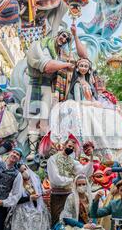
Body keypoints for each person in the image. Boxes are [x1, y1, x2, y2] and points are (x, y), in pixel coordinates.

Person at [24, 24, 88, 160]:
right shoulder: (41, 45)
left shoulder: (60, 54)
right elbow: (47, 66)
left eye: (67, 39)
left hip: (48, 87)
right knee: (33, 119)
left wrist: (75, 34)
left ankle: (43, 151)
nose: (64, 40)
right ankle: (31, 151)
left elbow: (84, 57)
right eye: (64, 36)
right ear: (57, 34)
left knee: (45, 120)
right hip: (36, 85)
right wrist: (66, 65)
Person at [47, 137, 93, 225]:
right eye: (69, 146)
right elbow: (55, 179)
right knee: (57, 221)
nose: (71, 149)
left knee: (71, 221)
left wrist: (91, 157)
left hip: (70, 195)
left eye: (73, 148)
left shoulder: (72, 161)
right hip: (58, 196)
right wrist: (72, 180)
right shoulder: (53, 159)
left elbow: (83, 173)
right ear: (64, 145)